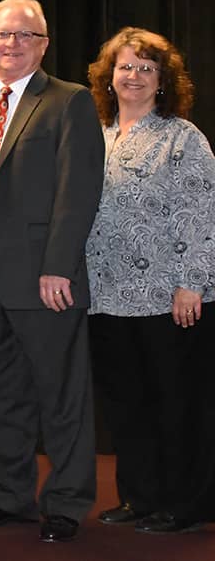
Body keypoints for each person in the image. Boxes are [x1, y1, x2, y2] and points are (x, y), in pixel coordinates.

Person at [0, 0, 104, 543]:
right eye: (2, 34)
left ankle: (66, 502)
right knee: (0, 391)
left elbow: (78, 190)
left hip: (46, 274)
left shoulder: (70, 102)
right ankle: (10, 496)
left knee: (60, 392)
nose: (11, 44)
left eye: (24, 35)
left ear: (43, 44)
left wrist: (59, 266)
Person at [84, 28, 215, 535]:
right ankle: (139, 497)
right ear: (108, 75)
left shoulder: (184, 137)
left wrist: (191, 283)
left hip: (170, 296)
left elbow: (200, 214)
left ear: (162, 81)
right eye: (126, 66)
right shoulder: (93, 132)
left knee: (175, 403)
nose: (134, 76)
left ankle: (184, 503)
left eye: (146, 68)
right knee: (126, 404)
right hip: (106, 294)